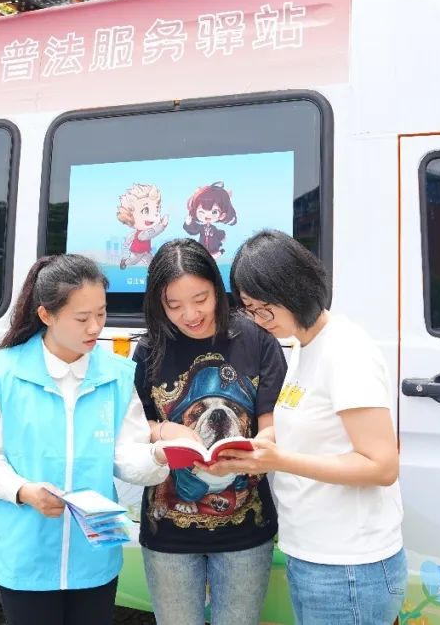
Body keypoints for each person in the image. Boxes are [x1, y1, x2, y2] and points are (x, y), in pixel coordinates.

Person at [0, 254, 169, 625]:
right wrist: (23, 490)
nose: (95, 327)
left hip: (94, 556)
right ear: (46, 315)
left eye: (101, 313)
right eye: (82, 318)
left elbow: (127, 456)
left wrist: (158, 457)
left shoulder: (116, 376)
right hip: (25, 555)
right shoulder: (6, 372)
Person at [209, 229, 406, 624]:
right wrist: (257, 447)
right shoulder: (304, 345)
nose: (258, 321)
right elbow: (306, 431)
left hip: (348, 566)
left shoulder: (346, 351)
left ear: (294, 290)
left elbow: (382, 465)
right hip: (314, 555)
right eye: (250, 309)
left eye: (264, 309)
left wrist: (279, 460)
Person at [134, 238, 286, 625]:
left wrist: (254, 451)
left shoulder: (256, 339)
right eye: (174, 305)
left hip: (245, 530)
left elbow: (273, 424)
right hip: (168, 531)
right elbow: (135, 425)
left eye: (200, 299)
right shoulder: (150, 348)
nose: (190, 314)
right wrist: (165, 429)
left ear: (217, 289)